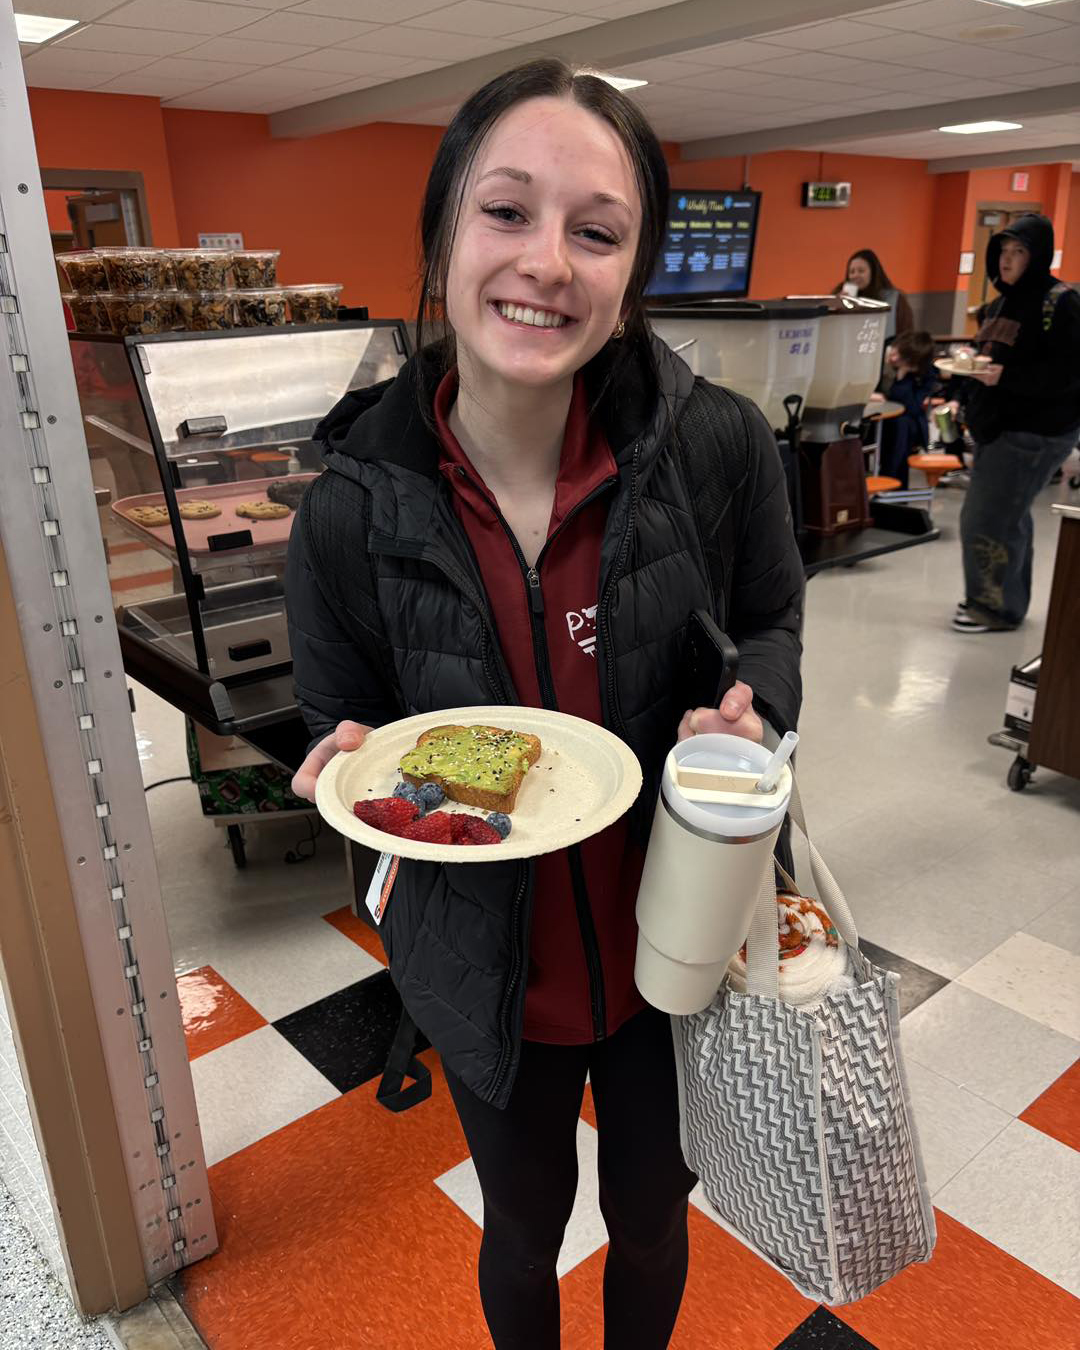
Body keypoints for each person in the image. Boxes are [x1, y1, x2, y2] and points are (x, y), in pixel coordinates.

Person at [285, 59, 803, 1349]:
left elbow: (777, 623)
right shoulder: (352, 502)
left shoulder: (717, 447)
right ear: (442, 232)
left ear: (631, 273)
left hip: (673, 941)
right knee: (521, 1228)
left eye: (597, 230)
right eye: (506, 211)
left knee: (654, 1211)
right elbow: (337, 720)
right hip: (482, 968)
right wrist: (340, 767)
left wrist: (753, 706)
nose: (547, 263)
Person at [953, 214, 1080, 633]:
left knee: (986, 518)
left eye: (1019, 251)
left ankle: (993, 608)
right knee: (1009, 516)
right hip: (998, 427)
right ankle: (1006, 601)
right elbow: (987, 357)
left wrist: (1006, 378)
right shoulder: (1002, 301)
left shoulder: (1060, 302)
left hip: (1034, 432)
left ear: (1038, 255)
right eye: (1003, 251)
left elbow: (1068, 374)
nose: (1007, 260)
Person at [869, 330, 937, 488]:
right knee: (900, 427)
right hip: (875, 418)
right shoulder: (877, 349)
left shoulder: (924, 373)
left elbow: (911, 407)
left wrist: (902, 375)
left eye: (902, 359)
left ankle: (890, 484)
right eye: (896, 351)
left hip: (901, 423)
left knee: (902, 424)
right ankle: (894, 487)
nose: (894, 358)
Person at [834, 248, 914, 341]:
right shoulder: (841, 297)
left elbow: (907, 336)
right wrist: (838, 305)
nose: (855, 275)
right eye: (852, 272)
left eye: (861, 271)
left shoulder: (894, 299)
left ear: (873, 272)